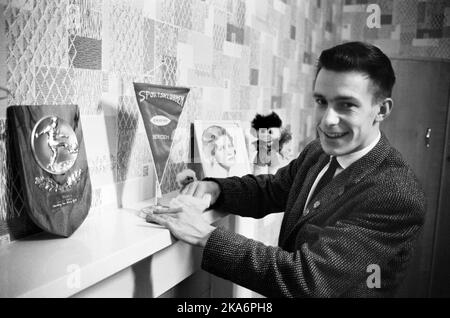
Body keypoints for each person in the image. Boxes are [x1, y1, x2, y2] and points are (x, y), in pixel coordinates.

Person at [148, 41, 426, 297]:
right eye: (321, 102)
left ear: (382, 110)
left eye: (347, 105)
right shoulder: (318, 151)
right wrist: (215, 188)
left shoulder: (395, 193)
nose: (328, 120)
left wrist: (204, 235)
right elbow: (272, 189)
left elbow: (307, 279)